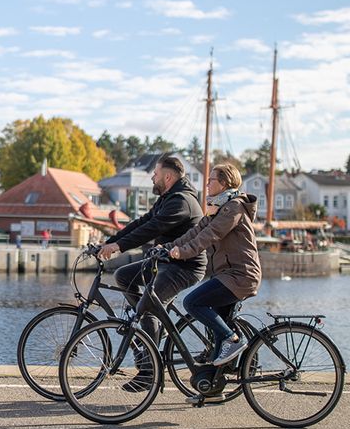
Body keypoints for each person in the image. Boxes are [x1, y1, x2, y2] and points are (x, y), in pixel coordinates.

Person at [82, 154, 207, 392]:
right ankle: (148, 323)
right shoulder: (167, 197)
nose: (152, 176)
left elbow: (152, 229)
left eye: (156, 173)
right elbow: (141, 222)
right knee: (123, 277)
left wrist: (118, 247)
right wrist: (109, 243)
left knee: (148, 306)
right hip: (163, 262)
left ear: (167, 177)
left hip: (184, 266)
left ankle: (150, 371)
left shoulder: (181, 201)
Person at [166, 164, 261, 374]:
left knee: (191, 302)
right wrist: (167, 248)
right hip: (228, 275)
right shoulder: (219, 208)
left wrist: (182, 253)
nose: (206, 184)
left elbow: (210, 236)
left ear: (224, 183)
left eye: (211, 180)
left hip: (240, 276)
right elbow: (196, 231)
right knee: (217, 329)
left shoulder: (233, 208)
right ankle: (212, 387)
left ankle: (233, 339)